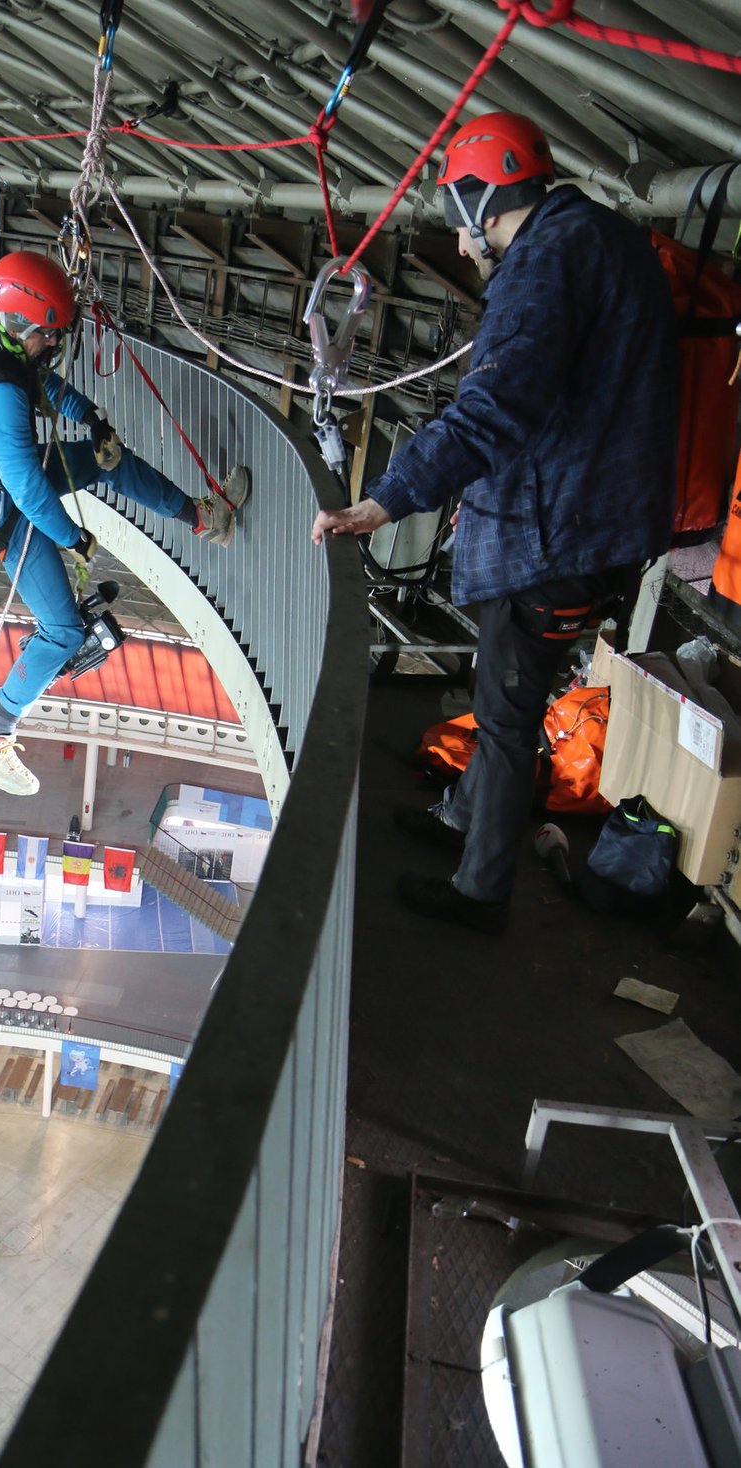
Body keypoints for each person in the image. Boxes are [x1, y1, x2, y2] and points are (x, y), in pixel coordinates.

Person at [312, 111, 677, 934]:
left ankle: (481, 896)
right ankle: (459, 821)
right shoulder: (601, 236)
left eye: (458, 213)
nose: (462, 236)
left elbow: (493, 408)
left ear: (481, 198)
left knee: (510, 719)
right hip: (597, 518)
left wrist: (384, 500)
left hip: (560, 534)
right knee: (502, 691)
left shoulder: (543, 264)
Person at [0, 250, 250, 796]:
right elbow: (28, 489)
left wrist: (89, 417)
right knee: (65, 631)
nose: (55, 343)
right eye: (49, 334)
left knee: (108, 461)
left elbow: (36, 381)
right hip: (4, 515)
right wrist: (75, 540)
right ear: (22, 323)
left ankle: (203, 518)